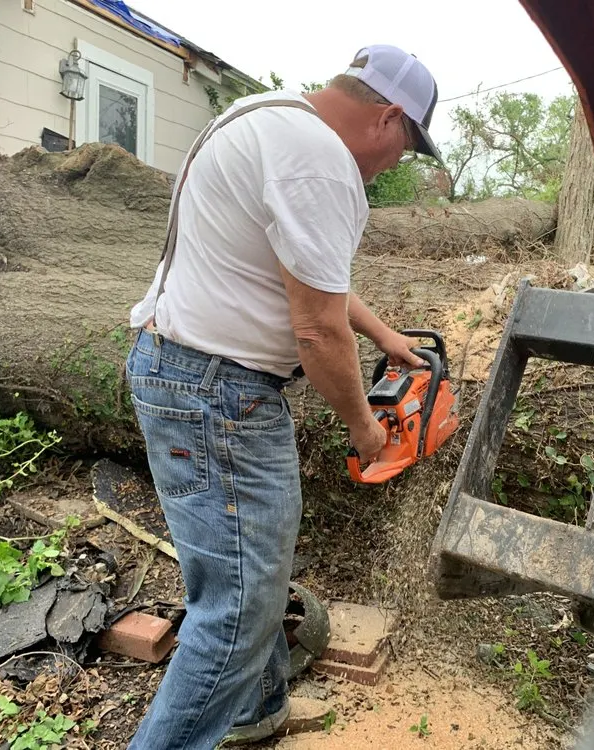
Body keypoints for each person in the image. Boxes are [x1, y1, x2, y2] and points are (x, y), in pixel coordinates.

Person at [122, 45, 443, 749]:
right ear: (388, 117)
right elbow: (318, 329)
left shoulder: (263, 117)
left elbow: (302, 271)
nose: (394, 164)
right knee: (236, 612)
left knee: (246, 567)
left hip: (180, 370)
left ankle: (256, 710)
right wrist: (365, 428)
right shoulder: (319, 161)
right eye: (405, 148)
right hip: (218, 392)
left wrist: (385, 333)